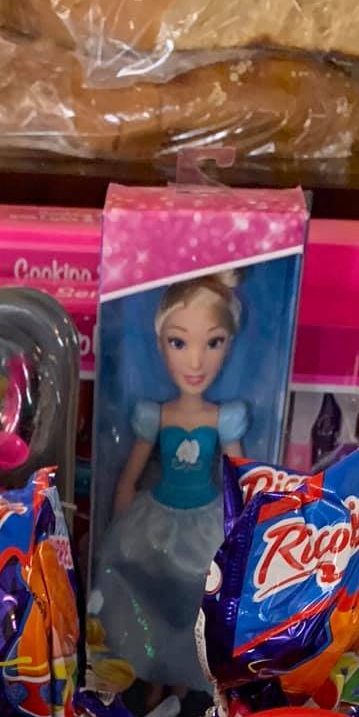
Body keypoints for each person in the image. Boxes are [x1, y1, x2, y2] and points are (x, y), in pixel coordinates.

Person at [90, 273, 247, 691]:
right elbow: (128, 479)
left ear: (229, 344)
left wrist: (245, 533)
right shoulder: (156, 415)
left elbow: (240, 478)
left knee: (198, 600)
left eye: (212, 343)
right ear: (160, 344)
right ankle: (151, 675)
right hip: (155, 519)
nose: (195, 362)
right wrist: (115, 533)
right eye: (179, 343)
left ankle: (187, 679)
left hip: (205, 521)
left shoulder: (223, 417)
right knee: (148, 596)